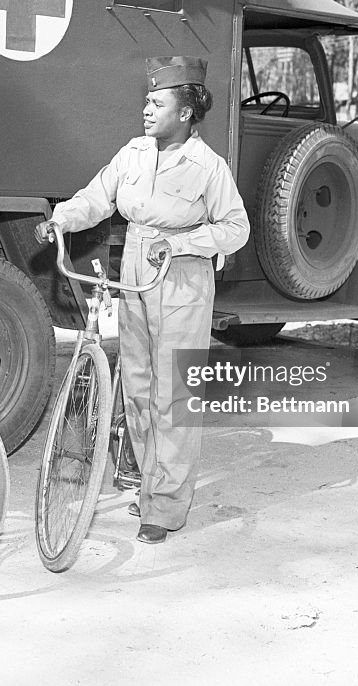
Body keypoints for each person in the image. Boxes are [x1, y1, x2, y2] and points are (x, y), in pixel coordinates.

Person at [35, 56, 249, 544]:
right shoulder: (132, 153)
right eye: (146, 102)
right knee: (136, 385)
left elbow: (236, 228)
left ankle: (166, 506)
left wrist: (182, 244)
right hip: (134, 265)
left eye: (158, 103)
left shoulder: (208, 167)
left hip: (182, 276)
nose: (147, 111)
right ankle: (151, 483)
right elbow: (97, 198)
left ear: (187, 112)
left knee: (173, 392)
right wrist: (62, 219)